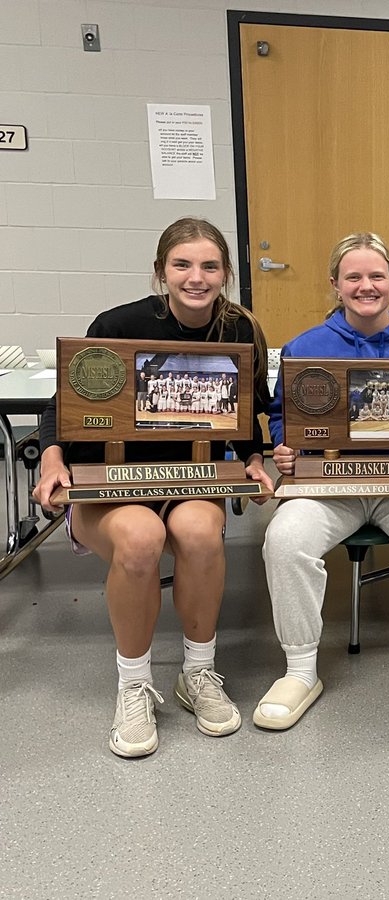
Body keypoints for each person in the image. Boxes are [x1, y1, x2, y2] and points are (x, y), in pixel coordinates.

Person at [32, 217, 274, 758]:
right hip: (109, 480)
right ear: (161, 271)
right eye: (182, 264)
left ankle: (198, 672)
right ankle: (134, 683)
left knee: (198, 531)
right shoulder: (118, 325)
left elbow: (248, 413)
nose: (196, 277)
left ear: (226, 273)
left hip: (193, 477)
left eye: (210, 266)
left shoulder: (240, 330)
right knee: (140, 538)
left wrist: (254, 461)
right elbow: (61, 408)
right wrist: (51, 459)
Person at [255, 233, 389, 729]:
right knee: (284, 539)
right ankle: (300, 670)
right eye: (353, 276)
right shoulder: (306, 347)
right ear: (335, 284)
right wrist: (285, 445)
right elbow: (282, 414)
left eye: (377, 276)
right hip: (332, 486)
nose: (366, 286)